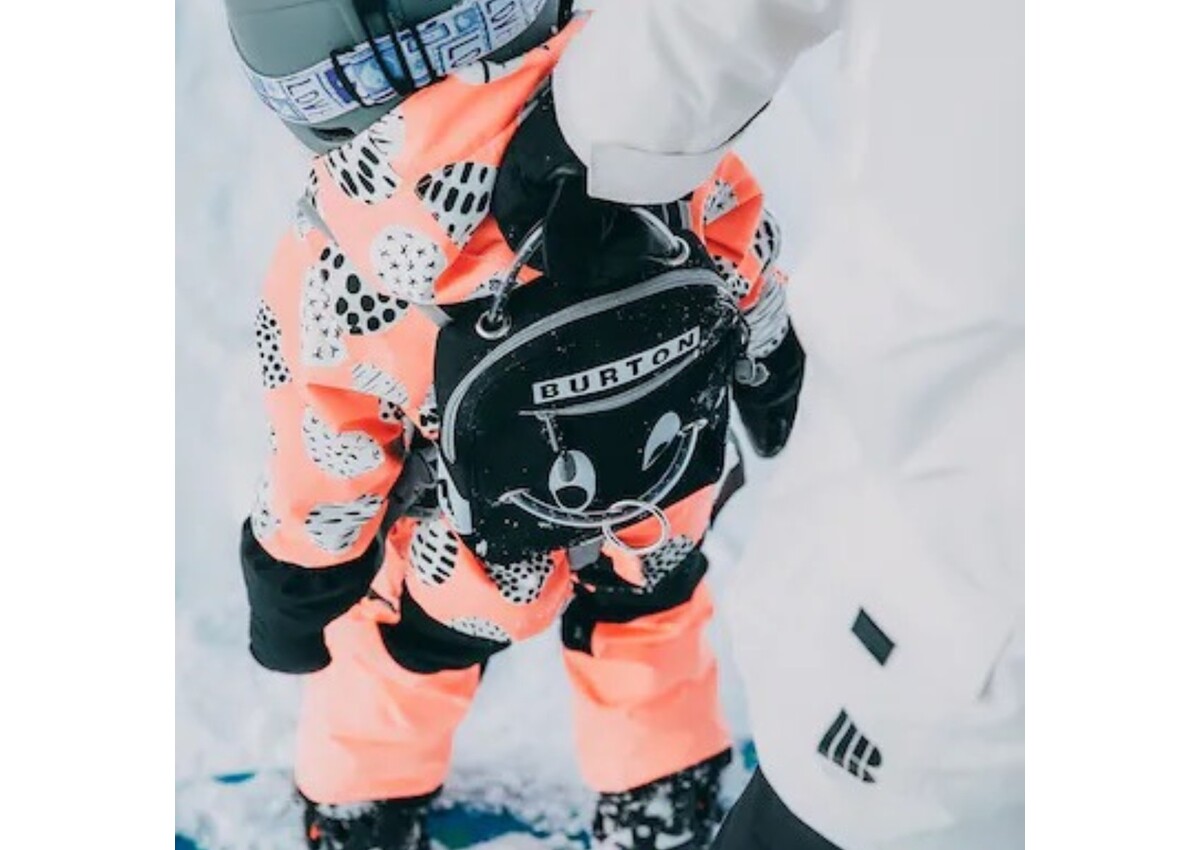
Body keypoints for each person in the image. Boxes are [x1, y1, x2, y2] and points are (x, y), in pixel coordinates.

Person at [222, 2, 806, 848]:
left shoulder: (344, 248)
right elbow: (736, 232)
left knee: (403, 655)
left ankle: (364, 798)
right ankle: (661, 783)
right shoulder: (640, 115)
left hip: (474, 556)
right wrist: (770, 358)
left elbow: (326, 450)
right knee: (651, 620)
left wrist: (298, 583)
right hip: (660, 478)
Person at [496, 0, 1024, 847]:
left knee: (646, 603)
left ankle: (656, 775)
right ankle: (371, 782)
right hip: (922, 634)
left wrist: (601, 128)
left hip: (933, 661)